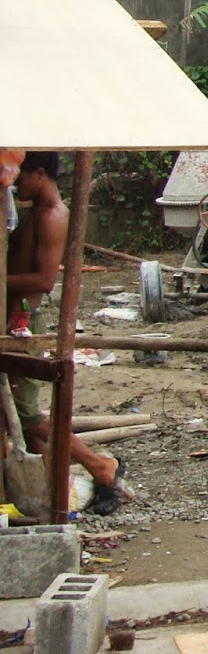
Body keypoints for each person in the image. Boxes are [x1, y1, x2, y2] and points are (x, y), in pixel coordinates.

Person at [5, 152, 131, 514]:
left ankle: (99, 465)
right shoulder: (33, 214)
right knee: (23, 423)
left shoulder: (52, 216)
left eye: (21, 177)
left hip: (24, 321)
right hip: (17, 317)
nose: (15, 183)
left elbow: (45, 281)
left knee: (28, 415)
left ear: (40, 174)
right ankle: (55, 492)